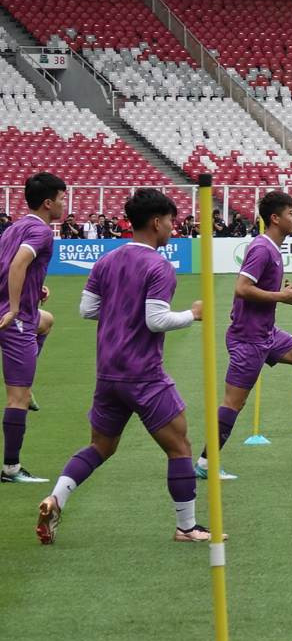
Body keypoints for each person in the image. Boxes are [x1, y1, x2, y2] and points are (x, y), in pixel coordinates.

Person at [36, 188, 211, 545]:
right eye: (171, 221)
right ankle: (187, 527)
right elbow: (156, 320)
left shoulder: (106, 261)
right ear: (157, 221)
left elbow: (87, 310)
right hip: (143, 373)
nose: (173, 228)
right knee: (180, 447)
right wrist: (192, 315)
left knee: (100, 446)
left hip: (108, 372)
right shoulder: (159, 265)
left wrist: (120, 311)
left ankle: (56, 498)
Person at [201, 191, 292, 480]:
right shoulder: (262, 248)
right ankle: (206, 463)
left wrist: (281, 292)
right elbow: (242, 288)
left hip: (265, 333)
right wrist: (281, 295)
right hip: (248, 338)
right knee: (234, 403)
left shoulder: (273, 248)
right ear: (275, 218)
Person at [2, 172, 64, 484]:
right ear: (48, 202)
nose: (65, 204)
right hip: (16, 321)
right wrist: (14, 306)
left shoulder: (15, 226)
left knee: (48, 320)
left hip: (19, 314)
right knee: (17, 399)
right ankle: (11, 468)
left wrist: (35, 290)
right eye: (62, 198)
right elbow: (16, 265)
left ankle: (27, 383)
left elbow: (8, 265)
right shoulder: (41, 232)